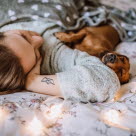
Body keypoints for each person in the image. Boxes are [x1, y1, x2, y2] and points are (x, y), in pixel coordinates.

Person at [0, 22, 120, 102]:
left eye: (23, 36)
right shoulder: (52, 54)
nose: (39, 40)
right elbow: (104, 81)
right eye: (36, 54)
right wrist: (33, 81)